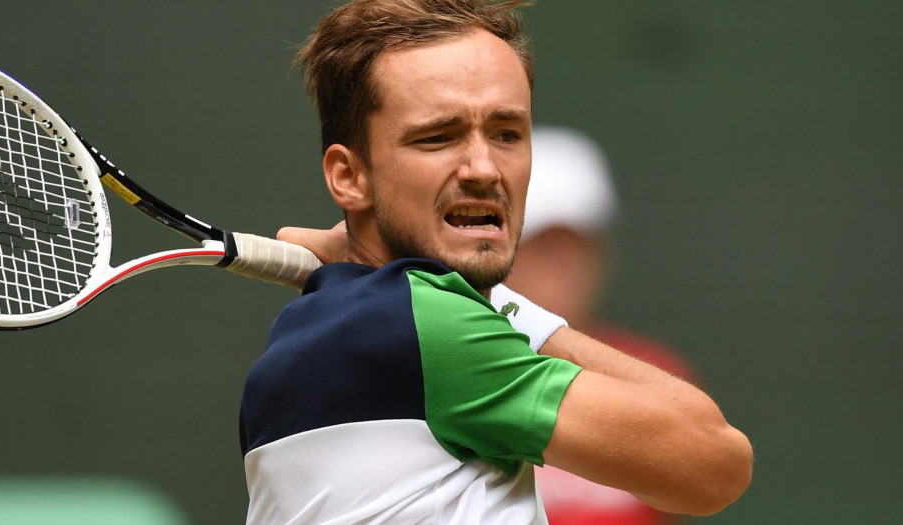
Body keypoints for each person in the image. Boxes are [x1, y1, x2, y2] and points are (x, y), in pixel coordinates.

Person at [240, 1, 753, 524]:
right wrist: (501, 309)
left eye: (507, 133)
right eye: (437, 137)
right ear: (350, 176)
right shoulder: (423, 329)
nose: (484, 169)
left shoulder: (308, 340)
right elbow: (716, 462)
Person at [490, 126, 700, 525]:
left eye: (576, 246)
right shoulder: (445, 370)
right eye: (540, 246)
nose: (562, 267)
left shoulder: (652, 375)